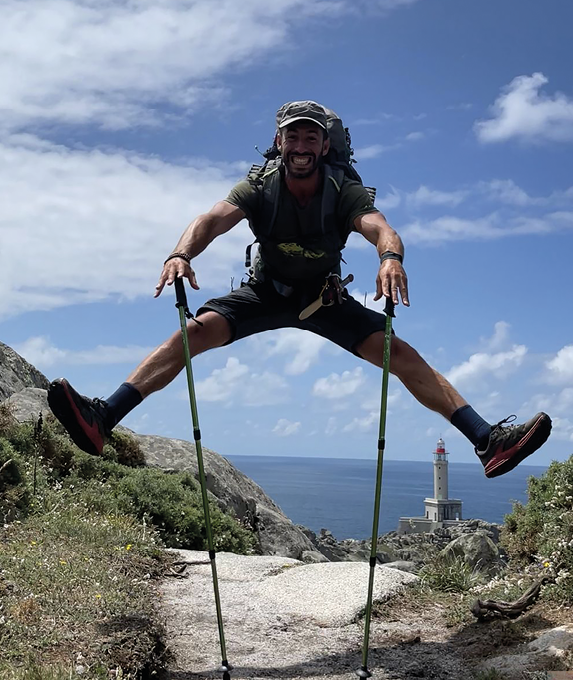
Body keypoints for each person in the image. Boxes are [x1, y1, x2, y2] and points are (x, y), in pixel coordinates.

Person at [47, 100, 552, 479]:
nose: (302, 146)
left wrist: (391, 258)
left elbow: (380, 227)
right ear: (281, 142)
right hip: (266, 291)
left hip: (325, 298)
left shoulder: (340, 189)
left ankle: (488, 442)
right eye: (294, 137)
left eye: (311, 138)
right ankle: (102, 418)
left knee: (402, 356)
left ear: (324, 146)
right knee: (191, 335)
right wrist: (180, 254)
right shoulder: (261, 186)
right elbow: (211, 220)